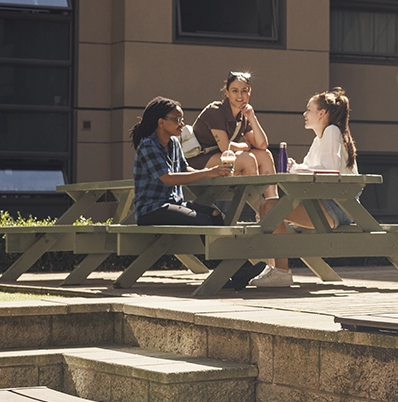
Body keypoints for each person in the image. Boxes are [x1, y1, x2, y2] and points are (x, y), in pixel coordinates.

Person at [192, 72, 287, 286]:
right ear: (226, 92)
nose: (240, 95)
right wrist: (244, 146)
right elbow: (227, 148)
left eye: (244, 91)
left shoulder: (243, 116)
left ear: (250, 93)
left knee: (263, 155)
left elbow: (262, 145)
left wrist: (252, 118)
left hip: (226, 160)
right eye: (235, 90)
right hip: (200, 162)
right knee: (247, 158)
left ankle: (271, 204)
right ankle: (259, 207)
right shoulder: (215, 111)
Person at [130, 97, 232, 227]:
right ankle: (205, 248)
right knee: (202, 221)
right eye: (177, 120)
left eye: (182, 119)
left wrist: (214, 172)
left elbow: (184, 169)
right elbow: (168, 178)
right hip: (151, 209)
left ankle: (218, 248)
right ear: (161, 122)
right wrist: (206, 173)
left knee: (215, 215)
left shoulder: (174, 143)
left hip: (175, 203)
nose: (182, 124)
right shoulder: (148, 146)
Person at [276, 87, 358, 234]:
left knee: (271, 210)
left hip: (338, 206)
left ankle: (277, 256)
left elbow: (330, 172)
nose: (304, 114)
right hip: (325, 203)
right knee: (266, 207)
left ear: (321, 113)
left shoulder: (332, 131)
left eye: (308, 110)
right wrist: (296, 166)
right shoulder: (319, 139)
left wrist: (296, 169)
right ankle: (275, 257)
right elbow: (309, 167)